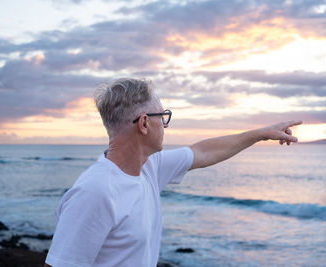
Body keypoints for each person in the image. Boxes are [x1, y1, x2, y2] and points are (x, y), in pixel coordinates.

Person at [44, 78, 302, 267]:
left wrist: (260, 134)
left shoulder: (149, 168)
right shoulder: (96, 192)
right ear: (144, 123)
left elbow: (203, 152)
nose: (165, 125)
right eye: (163, 117)